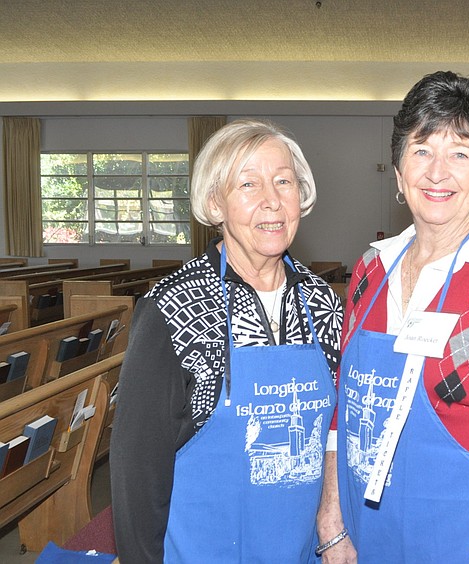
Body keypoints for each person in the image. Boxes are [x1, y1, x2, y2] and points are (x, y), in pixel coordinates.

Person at [316, 71, 469, 563]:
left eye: (460, 153)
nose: (437, 171)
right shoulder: (370, 268)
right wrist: (331, 521)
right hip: (364, 533)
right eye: (422, 149)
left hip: (466, 537)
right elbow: (346, 409)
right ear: (400, 171)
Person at [110, 119, 343, 563]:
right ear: (215, 204)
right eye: (249, 184)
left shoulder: (323, 304)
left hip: (300, 550)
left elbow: (335, 436)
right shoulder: (173, 307)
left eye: (283, 181)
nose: (272, 201)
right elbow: (136, 468)